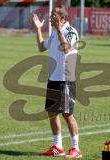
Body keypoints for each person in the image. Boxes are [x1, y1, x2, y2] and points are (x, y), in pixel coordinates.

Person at [32, 4, 82, 159]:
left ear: (62, 18)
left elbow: (66, 48)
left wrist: (59, 29)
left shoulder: (71, 31)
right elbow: (41, 47)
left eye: (53, 15)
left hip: (66, 80)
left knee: (67, 114)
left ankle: (76, 149)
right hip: (53, 78)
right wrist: (38, 28)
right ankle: (58, 147)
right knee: (52, 113)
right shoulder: (53, 32)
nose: (50, 17)